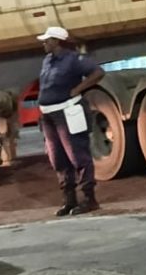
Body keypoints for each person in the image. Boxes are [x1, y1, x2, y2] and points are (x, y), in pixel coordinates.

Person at [36, 27, 105, 216]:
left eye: (47, 40)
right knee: (57, 158)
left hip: (67, 112)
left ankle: (89, 199)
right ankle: (69, 200)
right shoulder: (47, 60)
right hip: (49, 115)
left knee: (77, 155)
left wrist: (78, 89)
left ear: (57, 41)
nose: (44, 43)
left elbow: (98, 72)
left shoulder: (73, 59)